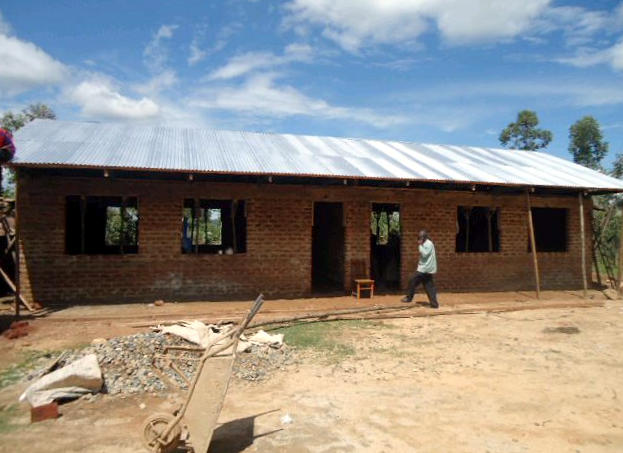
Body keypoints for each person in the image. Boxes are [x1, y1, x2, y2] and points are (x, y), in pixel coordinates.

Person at [401, 230, 439, 308]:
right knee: (429, 286)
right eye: (419, 238)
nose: (420, 240)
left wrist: (420, 245)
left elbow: (425, 254)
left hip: (424, 269)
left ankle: (409, 298)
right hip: (427, 268)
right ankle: (434, 304)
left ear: (425, 238)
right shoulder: (427, 243)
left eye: (421, 238)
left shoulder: (428, 244)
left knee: (412, 280)